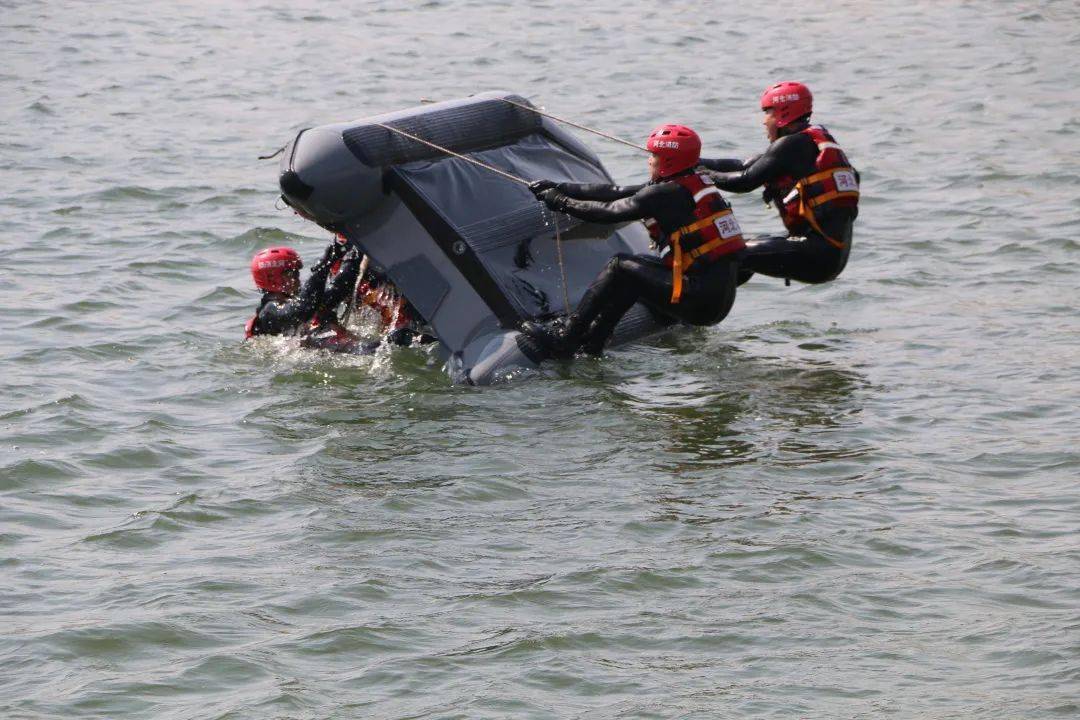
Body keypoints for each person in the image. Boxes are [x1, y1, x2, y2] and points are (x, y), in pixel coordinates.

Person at [521, 124, 745, 358]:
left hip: (699, 302)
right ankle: (592, 343)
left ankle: (567, 337)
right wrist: (562, 188)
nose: (649, 161)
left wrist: (561, 202)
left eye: (654, 155)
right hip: (714, 301)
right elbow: (617, 191)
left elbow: (609, 211)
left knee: (619, 265)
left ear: (668, 161)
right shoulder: (690, 182)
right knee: (633, 272)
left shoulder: (664, 194)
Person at [697, 81, 859, 285]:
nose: (764, 121)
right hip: (830, 257)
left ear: (784, 114)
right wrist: (693, 162)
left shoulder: (792, 145)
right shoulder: (809, 142)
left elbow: (744, 181)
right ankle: (713, 298)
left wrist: (704, 175)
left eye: (768, 113)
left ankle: (690, 299)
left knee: (733, 252)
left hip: (816, 255)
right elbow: (742, 165)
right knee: (746, 249)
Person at [245, 237, 372, 352]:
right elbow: (302, 309)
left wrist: (352, 256)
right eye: (292, 273)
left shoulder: (297, 301)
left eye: (297, 274)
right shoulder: (268, 312)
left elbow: (336, 291)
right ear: (273, 278)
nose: (297, 279)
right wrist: (323, 265)